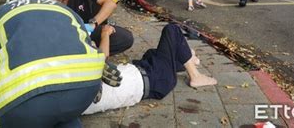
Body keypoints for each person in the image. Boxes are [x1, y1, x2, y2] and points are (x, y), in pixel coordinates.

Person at [0, 0, 107, 128]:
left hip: (27, 105)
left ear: (11, 0)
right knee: (66, 116)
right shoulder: (66, 10)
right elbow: (86, 45)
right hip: (83, 91)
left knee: (23, 116)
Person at [83, 23, 217, 115]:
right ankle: (195, 75)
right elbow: (102, 58)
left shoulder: (72, 105)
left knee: (151, 53)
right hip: (155, 78)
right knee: (172, 30)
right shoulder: (84, 89)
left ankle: (185, 57)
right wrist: (105, 34)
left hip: (144, 73)